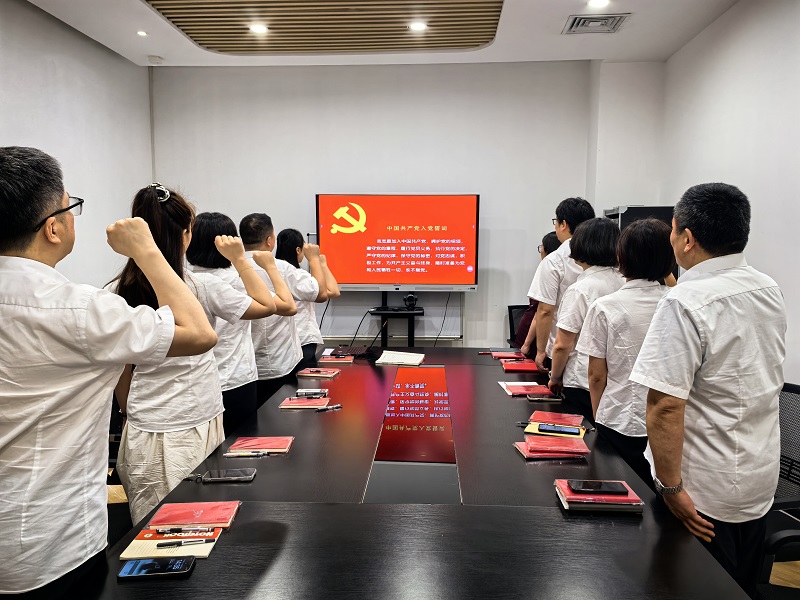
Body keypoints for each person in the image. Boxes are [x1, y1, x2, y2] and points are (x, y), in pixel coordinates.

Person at [0, 147, 217, 596]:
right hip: (48, 543)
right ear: (53, 227)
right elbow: (199, 334)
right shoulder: (82, 309)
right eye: (70, 207)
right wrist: (146, 251)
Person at [629, 183, 786, 599]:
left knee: (690, 585)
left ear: (687, 238)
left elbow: (665, 406)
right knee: (740, 587)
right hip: (758, 481)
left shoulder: (685, 301)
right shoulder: (768, 288)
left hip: (701, 491)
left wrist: (671, 488)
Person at [111, 185, 279, 524]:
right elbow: (267, 305)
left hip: (157, 420)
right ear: (185, 236)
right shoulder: (201, 287)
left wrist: (131, 410)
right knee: (194, 519)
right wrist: (241, 260)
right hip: (187, 420)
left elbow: (121, 370)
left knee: (162, 523)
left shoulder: (116, 291)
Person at [576, 218, 675, 485]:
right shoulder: (678, 303)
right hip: (671, 423)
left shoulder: (605, 307)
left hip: (620, 417)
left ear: (620, 256)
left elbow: (596, 375)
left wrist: (599, 416)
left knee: (619, 492)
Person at [187, 212, 295, 435]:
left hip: (197, 384)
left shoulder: (182, 278)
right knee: (241, 443)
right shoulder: (234, 280)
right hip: (234, 379)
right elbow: (285, 305)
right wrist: (249, 262)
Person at [547, 218, 623, 421]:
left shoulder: (581, 289)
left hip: (581, 380)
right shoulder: (624, 281)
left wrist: (555, 376)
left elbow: (563, 344)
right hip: (615, 380)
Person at [525, 197, 595, 370]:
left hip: (563, 350)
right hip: (597, 350)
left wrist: (540, 350)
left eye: (556, 222)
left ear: (563, 224)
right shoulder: (605, 257)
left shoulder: (554, 260)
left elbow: (545, 310)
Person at [275, 228, 341, 369]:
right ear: (298, 250)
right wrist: (318, 262)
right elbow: (332, 291)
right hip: (302, 339)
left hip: (280, 341)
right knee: (303, 379)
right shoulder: (298, 275)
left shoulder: (273, 272)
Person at [517, 231, 559, 351]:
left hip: (535, 332)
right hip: (534, 329)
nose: (540, 250)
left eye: (542, 246)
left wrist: (526, 343)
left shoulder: (548, 266)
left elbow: (541, 312)